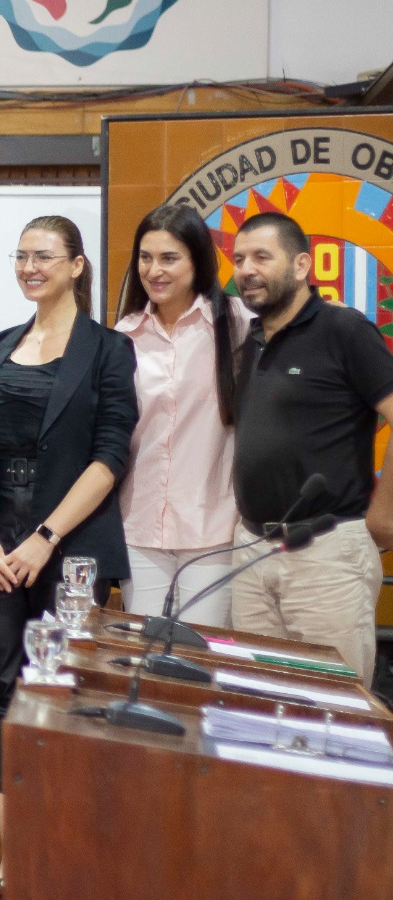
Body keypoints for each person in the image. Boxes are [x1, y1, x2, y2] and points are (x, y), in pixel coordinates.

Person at [0, 215, 136, 896]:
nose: (30, 266)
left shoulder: (110, 350)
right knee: (7, 691)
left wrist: (44, 538)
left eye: (44, 255)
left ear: (77, 265)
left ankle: (69, 850)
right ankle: (18, 856)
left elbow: (111, 455)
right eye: (21, 256)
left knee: (68, 697)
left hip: (69, 550)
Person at [228, 211, 393, 686]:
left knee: (334, 713)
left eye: (262, 256)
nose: (247, 269)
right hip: (252, 550)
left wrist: (383, 516)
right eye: (239, 259)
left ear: (302, 266)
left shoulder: (344, 330)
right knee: (262, 708)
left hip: (325, 552)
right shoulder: (250, 341)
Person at [112, 204, 247, 626]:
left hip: (215, 530)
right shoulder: (121, 337)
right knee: (141, 659)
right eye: (146, 257)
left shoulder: (239, 324)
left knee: (201, 663)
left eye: (169, 258)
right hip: (139, 527)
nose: (154, 270)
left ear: (198, 261)